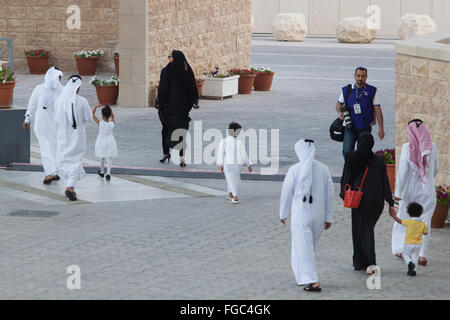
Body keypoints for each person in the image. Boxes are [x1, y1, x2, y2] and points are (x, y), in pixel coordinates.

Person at [280, 139, 334, 292]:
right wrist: (328, 217)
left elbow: (286, 194)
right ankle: (301, 276)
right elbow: (329, 195)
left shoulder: (295, 169)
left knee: (303, 248)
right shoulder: (323, 169)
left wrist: (283, 213)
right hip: (318, 215)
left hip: (301, 215)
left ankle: (312, 279)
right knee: (305, 248)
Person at [340, 132, 395, 272]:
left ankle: (368, 261)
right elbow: (385, 183)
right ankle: (362, 262)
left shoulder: (352, 158)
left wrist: (344, 195)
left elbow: (346, 178)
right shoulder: (378, 161)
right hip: (376, 202)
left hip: (359, 201)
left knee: (360, 231)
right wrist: (390, 201)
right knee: (367, 229)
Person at [391, 119, 438, 266]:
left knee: (402, 220)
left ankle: (400, 249)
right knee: (425, 222)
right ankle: (422, 255)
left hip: (410, 193)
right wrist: (427, 181)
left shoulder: (407, 147)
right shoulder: (433, 147)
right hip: (427, 192)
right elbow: (435, 170)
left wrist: (398, 191)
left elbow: (403, 172)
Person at [156, 50, 199, 167]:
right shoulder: (187, 71)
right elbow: (193, 89)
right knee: (181, 132)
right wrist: (189, 104)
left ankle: (165, 153)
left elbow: (163, 89)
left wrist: (160, 103)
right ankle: (182, 158)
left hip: (169, 108)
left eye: (170, 56)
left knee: (165, 129)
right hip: (182, 109)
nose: (168, 58)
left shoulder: (167, 71)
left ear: (173, 59)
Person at [23, 67, 64, 184]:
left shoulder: (63, 90)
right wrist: (27, 119)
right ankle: (48, 174)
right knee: (45, 148)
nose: (59, 80)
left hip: (57, 126)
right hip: (42, 125)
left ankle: (54, 172)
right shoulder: (39, 89)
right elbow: (32, 105)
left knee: (55, 149)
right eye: (58, 77)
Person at [54, 75, 92, 201]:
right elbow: (88, 119)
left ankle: (69, 185)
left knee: (63, 159)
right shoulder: (82, 101)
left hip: (62, 135)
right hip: (78, 135)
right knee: (76, 160)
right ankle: (70, 187)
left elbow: (56, 119)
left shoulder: (59, 101)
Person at [336, 67, 385, 160]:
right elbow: (339, 103)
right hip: (350, 126)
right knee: (346, 151)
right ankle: (350, 169)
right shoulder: (347, 90)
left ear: (366, 77)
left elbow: (378, 109)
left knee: (363, 152)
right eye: (358, 76)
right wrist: (339, 112)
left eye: (363, 76)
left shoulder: (372, 90)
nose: (360, 78)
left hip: (365, 127)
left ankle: (360, 172)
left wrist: (381, 128)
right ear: (354, 76)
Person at [216, 122, 252, 204]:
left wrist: (220, 164)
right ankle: (230, 194)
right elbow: (244, 154)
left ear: (229, 131)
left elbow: (220, 153)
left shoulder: (223, 141)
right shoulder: (239, 142)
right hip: (238, 164)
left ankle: (235, 196)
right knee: (235, 179)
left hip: (228, 164)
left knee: (230, 179)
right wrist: (249, 164)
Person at [390, 202, 428, 276]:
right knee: (415, 256)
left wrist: (393, 215)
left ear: (409, 213)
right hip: (418, 244)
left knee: (405, 254)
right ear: (420, 213)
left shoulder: (409, 221)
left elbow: (399, 221)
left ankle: (409, 263)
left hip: (409, 243)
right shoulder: (423, 223)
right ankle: (413, 271)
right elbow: (425, 233)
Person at [93, 105, 117, 181]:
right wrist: (110, 110)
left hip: (102, 141)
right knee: (109, 158)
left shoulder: (100, 123)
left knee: (102, 157)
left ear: (102, 115)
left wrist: (96, 107)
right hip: (110, 141)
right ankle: (108, 173)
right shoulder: (112, 124)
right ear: (110, 115)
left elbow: (92, 115)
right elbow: (113, 117)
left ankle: (102, 171)